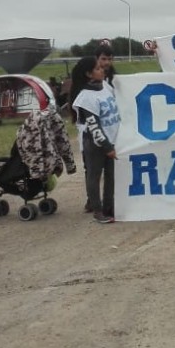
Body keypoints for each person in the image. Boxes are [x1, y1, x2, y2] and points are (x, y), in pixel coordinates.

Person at [72, 56, 120, 224]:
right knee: (94, 176)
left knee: (111, 176)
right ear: (88, 74)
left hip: (111, 140)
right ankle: (97, 210)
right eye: (98, 69)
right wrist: (107, 147)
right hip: (95, 143)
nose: (102, 70)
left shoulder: (105, 86)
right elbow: (93, 126)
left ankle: (109, 206)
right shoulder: (85, 98)